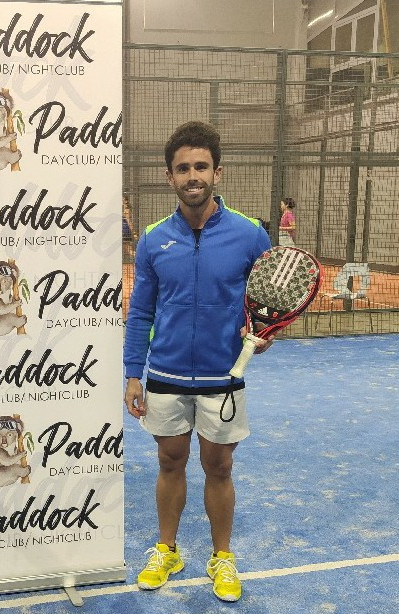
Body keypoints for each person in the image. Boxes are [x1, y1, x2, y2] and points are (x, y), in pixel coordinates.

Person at [123, 121, 274, 602]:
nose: (193, 176)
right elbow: (141, 311)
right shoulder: (152, 239)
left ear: (217, 173)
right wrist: (133, 374)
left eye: (201, 167)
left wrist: (263, 334)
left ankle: (222, 556)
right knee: (169, 461)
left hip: (222, 376)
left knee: (219, 467)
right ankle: (166, 550)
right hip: (165, 375)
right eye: (183, 168)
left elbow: (267, 302)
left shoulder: (250, 235)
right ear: (169, 177)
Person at [122, 195, 137, 261]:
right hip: (122, 231)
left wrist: (134, 233)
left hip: (125, 231)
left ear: (125, 201)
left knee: (128, 250)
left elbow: (129, 222)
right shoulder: (121, 210)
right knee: (126, 250)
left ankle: (141, 257)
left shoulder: (126, 210)